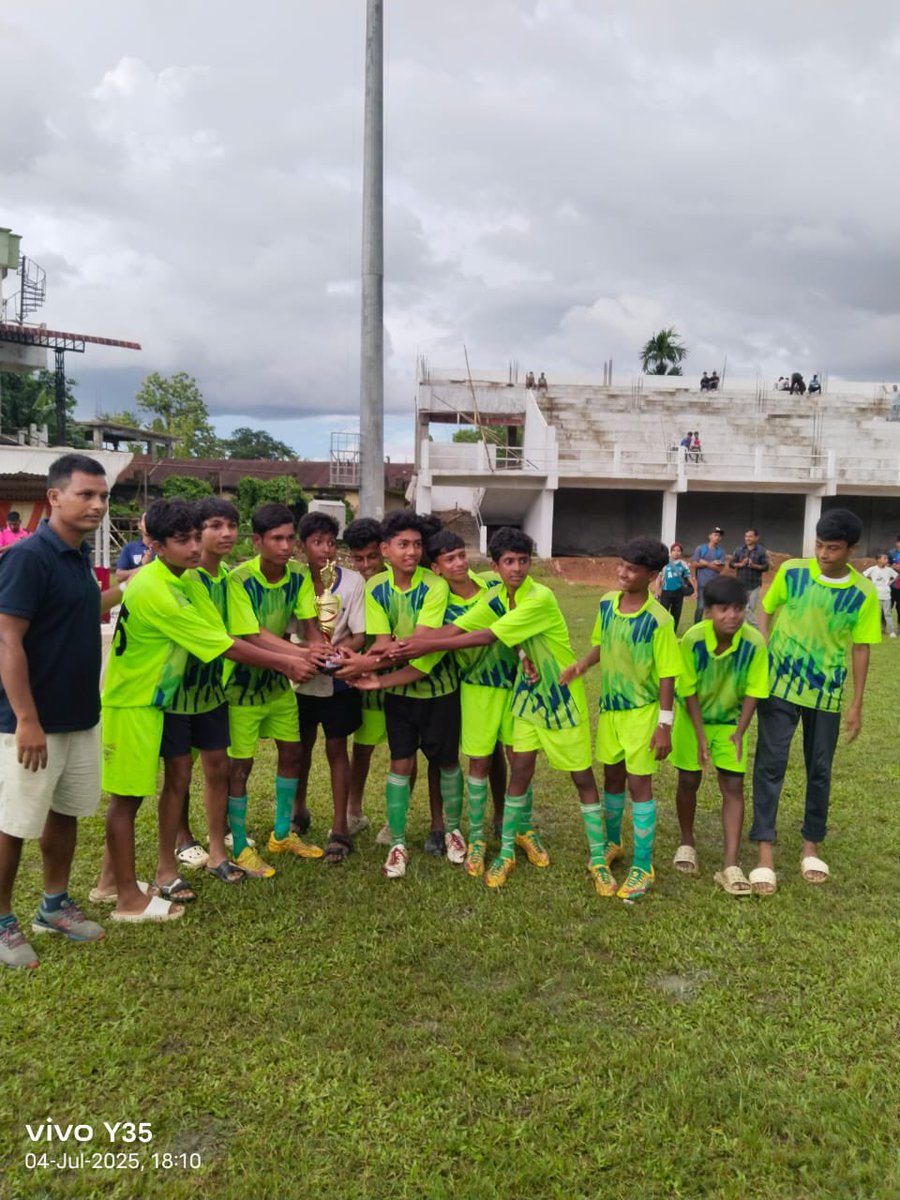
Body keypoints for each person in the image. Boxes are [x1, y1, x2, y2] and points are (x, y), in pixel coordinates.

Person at [94, 499, 316, 921]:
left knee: (144, 793)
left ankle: (115, 884)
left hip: (175, 697)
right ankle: (125, 895)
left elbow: (233, 631)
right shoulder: (157, 588)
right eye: (185, 539)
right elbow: (224, 644)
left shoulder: (188, 578)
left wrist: (298, 654)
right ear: (157, 545)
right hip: (137, 701)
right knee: (128, 798)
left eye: (198, 536)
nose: (196, 546)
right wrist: (289, 663)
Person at [374, 527, 613, 896]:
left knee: (581, 776)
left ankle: (598, 858)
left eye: (522, 561)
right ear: (496, 567)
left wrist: (415, 648)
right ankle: (500, 850)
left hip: (560, 698)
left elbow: (486, 635)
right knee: (517, 770)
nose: (516, 568)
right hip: (526, 697)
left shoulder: (540, 597)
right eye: (508, 562)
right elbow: (457, 627)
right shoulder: (497, 596)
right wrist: (401, 646)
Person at [0, 455, 119, 968]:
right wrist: (27, 719)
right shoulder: (28, 558)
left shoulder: (76, 556)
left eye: (103, 496)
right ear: (54, 498)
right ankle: (2, 921)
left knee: (65, 811)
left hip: (79, 715)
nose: (97, 505)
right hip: (33, 722)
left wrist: (126, 586)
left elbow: (80, 610)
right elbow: (7, 639)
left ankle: (54, 905)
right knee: (13, 823)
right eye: (86, 494)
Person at [749, 508, 881, 895]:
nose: (823, 554)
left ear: (852, 549)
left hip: (826, 695)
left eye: (833, 548)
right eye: (820, 545)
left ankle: (811, 846)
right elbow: (765, 607)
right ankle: (764, 851)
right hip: (779, 687)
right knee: (770, 764)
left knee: (819, 769)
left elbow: (861, 648)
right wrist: (765, 643)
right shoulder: (793, 572)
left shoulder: (863, 593)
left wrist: (856, 703)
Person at [342, 511, 467, 878]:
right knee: (400, 763)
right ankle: (397, 842)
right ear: (386, 549)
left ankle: (452, 831)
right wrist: (371, 658)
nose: (411, 552)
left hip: (440, 690)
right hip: (401, 694)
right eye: (403, 545)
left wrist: (367, 666)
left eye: (416, 545)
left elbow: (422, 645)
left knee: (446, 762)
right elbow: (384, 642)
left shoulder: (436, 585)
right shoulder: (376, 587)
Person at [563, 536, 681, 903]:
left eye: (632, 569)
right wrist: (582, 665)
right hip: (611, 710)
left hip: (642, 714)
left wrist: (664, 725)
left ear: (652, 575)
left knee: (639, 785)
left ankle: (644, 865)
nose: (623, 573)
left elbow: (668, 674)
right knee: (612, 776)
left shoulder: (659, 620)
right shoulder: (607, 604)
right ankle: (613, 842)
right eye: (621, 566)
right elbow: (602, 643)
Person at [224, 502, 324, 878]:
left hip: (277, 686)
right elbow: (251, 634)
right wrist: (300, 655)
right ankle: (239, 844)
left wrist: (321, 649)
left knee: (293, 753)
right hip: (241, 686)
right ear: (257, 541)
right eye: (276, 539)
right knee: (240, 766)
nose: (286, 546)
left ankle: (282, 835)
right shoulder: (239, 579)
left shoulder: (298, 574)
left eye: (290, 538)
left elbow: (310, 625)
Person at [670, 576, 769, 895]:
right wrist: (700, 737)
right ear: (708, 611)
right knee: (689, 780)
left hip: (730, 722)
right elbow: (687, 690)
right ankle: (687, 843)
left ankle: (730, 864)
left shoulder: (754, 643)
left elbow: (755, 690)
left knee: (733, 785)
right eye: (723, 609)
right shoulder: (693, 639)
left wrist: (740, 732)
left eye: (738, 608)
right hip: (692, 719)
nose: (732, 616)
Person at [164, 497, 245, 884]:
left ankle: (217, 850)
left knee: (218, 767)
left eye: (231, 525)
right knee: (179, 772)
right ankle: (182, 838)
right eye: (215, 526)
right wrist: (289, 661)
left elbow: (246, 631)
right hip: (178, 693)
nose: (226, 534)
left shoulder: (228, 576)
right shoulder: (183, 579)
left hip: (213, 690)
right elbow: (222, 641)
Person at [425, 529, 516, 877]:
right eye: (450, 559)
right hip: (473, 687)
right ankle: (465, 831)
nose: (459, 563)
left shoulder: (493, 584)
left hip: (512, 683)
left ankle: (505, 817)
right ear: (436, 568)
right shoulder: (440, 604)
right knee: (477, 755)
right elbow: (430, 640)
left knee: (509, 754)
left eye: (462, 555)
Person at [292, 512, 366, 864]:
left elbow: (360, 634)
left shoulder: (352, 582)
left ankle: (340, 827)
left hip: (338, 680)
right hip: (301, 679)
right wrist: (304, 654)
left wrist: (337, 652)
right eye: (317, 542)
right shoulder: (294, 580)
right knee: (298, 749)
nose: (326, 549)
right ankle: (298, 811)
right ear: (302, 546)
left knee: (337, 748)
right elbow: (284, 632)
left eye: (331, 542)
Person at [343, 518, 387, 836]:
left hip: (401, 679)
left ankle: (395, 821)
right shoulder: (352, 585)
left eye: (372, 556)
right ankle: (353, 811)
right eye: (359, 558)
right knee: (362, 748)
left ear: (383, 551)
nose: (367, 564)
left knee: (404, 752)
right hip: (365, 684)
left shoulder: (394, 582)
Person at [730, 528, 770, 626]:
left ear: (756, 537)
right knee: (744, 607)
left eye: (750, 536)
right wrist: (740, 564)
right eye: (746, 536)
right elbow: (731, 564)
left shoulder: (761, 551)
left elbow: (766, 567)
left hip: (755, 585)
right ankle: (755, 627)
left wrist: (753, 566)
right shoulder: (739, 549)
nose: (747, 538)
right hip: (741, 584)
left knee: (751, 608)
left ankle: (748, 627)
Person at [656, 542, 693, 632]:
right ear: (671, 552)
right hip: (666, 592)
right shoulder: (664, 563)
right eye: (674, 550)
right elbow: (659, 578)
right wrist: (657, 592)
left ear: (681, 553)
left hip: (679, 593)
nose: (676, 553)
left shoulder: (683, 564)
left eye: (678, 551)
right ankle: (662, 632)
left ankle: (673, 632)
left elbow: (689, 577)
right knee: (663, 614)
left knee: (676, 615)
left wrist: (695, 589)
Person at [692, 526, 726, 620]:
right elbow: (694, 564)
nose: (717, 537)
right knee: (700, 607)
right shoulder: (701, 548)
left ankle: (710, 625)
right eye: (715, 535)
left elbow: (720, 569)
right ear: (710, 536)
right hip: (702, 584)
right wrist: (712, 564)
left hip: (714, 585)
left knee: (711, 608)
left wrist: (705, 563)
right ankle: (697, 625)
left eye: (719, 536)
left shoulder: (721, 552)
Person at [863, 553, 898, 638]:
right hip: (876, 595)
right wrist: (871, 583)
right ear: (878, 560)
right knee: (875, 614)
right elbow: (864, 575)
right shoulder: (873, 569)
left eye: (887, 559)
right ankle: (873, 630)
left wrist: (890, 583)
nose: (886, 560)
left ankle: (891, 632)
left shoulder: (889, 570)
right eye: (884, 558)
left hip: (886, 595)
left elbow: (896, 576)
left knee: (887, 614)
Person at [115, 513, 152, 582]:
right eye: (146, 520)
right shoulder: (129, 548)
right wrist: (142, 566)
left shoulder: (164, 549)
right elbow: (119, 577)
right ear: (139, 525)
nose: (149, 524)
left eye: (152, 520)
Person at [888, 535, 900, 628]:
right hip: (892, 584)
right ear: (896, 543)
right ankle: (883, 626)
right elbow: (886, 566)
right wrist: (892, 567)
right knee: (888, 607)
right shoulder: (891, 553)